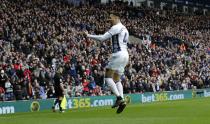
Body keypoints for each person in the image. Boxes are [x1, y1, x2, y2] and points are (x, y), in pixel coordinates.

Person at [85, 13, 129, 114]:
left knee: (108, 77)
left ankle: (119, 98)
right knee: (117, 78)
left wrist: (88, 35)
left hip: (118, 54)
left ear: (117, 18)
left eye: (111, 19)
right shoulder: (125, 29)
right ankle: (121, 99)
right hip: (125, 55)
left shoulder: (116, 27)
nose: (110, 21)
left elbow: (102, 38)